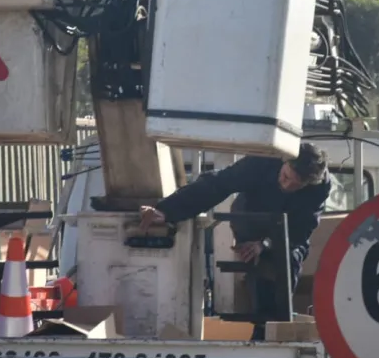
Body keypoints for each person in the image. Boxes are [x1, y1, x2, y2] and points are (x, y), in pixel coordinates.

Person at [139, 142, 331, 340]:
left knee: (289, 260)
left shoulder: (320, 186)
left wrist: (265, 244)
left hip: (287, 233)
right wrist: (167, 210)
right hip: (250, 219)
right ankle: (262, 325)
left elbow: (302, 228)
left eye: (296, 186)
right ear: (283, 162)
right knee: (259, 270)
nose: (287, 186)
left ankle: (273, 330)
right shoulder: (262, 162)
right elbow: (218, 183)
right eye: (285, 177)